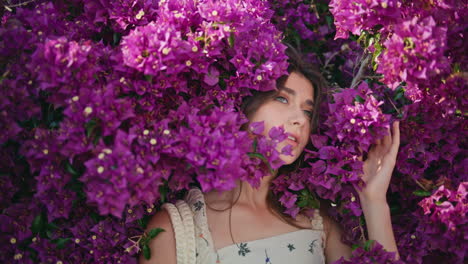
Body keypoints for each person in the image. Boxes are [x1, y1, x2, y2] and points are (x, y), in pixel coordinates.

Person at [139, 47, 400, 264]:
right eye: (283, 99)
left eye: (308, 112)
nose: (299, 120)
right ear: (242, 106)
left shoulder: (316, 224)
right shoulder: (177, 230)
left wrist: (373, 200)